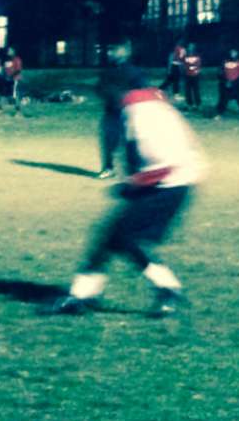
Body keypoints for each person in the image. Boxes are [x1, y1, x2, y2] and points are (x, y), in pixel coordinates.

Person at [49, 87, 205, 316]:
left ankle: (168, 289)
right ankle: (82, 294)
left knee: (125, 238)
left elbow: (161, 164)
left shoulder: (138, 114)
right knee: (112, 236)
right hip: (175, 181)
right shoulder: (155, 107)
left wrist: (131, 185)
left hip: (169, 185)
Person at [96, 40, 146, 179]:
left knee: (131, 142)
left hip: (129, 112)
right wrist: (107, 94)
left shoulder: (134, 71)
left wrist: (127, 99)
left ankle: (135, 170)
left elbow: (142, 90)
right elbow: (99, 88)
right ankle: (108, 167)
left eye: (116, 50)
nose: (111, 53)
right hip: (111, 112)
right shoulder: (107, 71)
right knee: (108, 140)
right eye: (111, 50)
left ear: (125, 52)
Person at [214, 48, 239, 119]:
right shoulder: (225, 62)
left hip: (237, 84)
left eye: (235, 52)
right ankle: (219, 113)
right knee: (223, 98)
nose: (233, 54)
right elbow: (220, 72)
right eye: (232, 52)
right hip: (226, 83)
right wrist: (224, 80)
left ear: (238, 53)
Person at [0, 47, 24, 115]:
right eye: (8, 51)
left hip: (14, 79)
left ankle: (18, 110)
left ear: (13, 52)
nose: (8, 52)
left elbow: (18, 70)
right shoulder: (6, 60)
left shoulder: (16, 59)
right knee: (3, 94)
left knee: (14, 95)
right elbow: (4, 69)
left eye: (10, 51)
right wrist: (3, 76)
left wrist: (10, 76)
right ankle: (0, 109)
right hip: (6, 80)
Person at [182, 44, 202, 111]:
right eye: (189, 47)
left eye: (192, 47)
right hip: (187, 75)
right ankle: (189, 104)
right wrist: (185, 69)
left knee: (196, 90)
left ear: (194, 48)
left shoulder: (197, 56)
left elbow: (198, 66)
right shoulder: (185, 56)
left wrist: (194, 69)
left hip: (195, 75)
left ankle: (197, 104)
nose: (190, 48)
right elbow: (184, 65)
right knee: (188, 91)